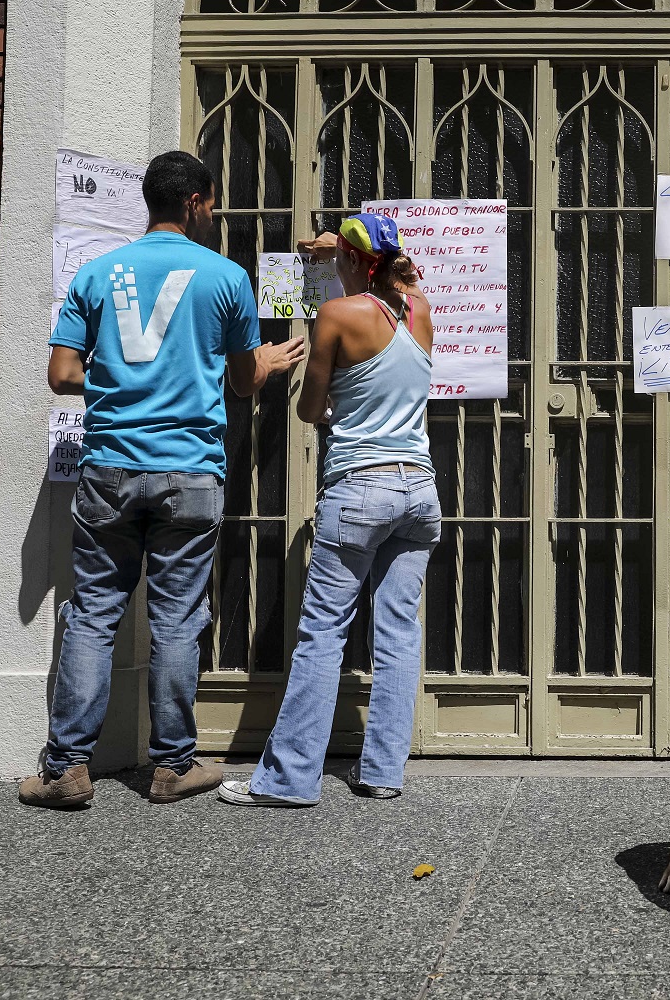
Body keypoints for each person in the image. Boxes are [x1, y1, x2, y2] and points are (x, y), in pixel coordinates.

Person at [19, 151, 305, 809]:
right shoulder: (227, 278)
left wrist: (124, 383)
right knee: (178, 620)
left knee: (92, 615)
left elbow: (62, 375)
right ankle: (174, 765)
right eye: (213, 203)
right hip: (189, 472)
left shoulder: (96, 274)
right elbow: (239, 381)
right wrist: (261, 362)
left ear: (150, 202)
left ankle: (66, 770)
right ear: (199, 199)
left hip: (110, 469)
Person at [218, 212, 437, 807]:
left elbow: (309, 409)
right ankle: (383, 772)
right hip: (419, 491)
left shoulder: (338, 315)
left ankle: (288, 779)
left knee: (322, 632)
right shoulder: (419, 310)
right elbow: (402, 274)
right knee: (397, 633)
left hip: (360, 487)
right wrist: (341, 248)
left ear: (348, 258)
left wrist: (325, 255)